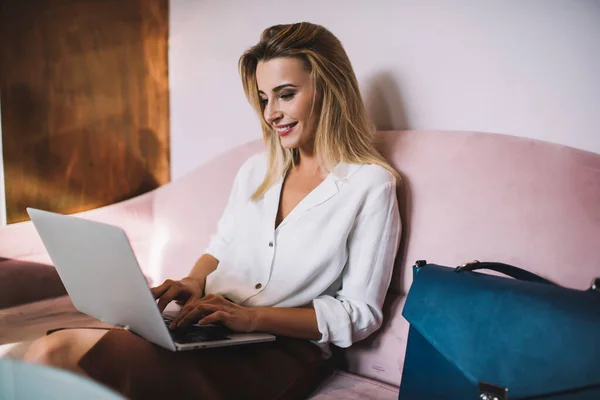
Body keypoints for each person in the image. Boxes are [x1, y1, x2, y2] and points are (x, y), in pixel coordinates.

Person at [23, 22, 402, 400]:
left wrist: (251, 318)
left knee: (57, 355)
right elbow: (220, 247)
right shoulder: (257, 170)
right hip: (209, 327)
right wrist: (192, 282)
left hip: (277, 352)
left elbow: (360, 313)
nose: (271, 114)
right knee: (43, 352)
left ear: (329, 91)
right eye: (264, 98)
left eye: (286, 95)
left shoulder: (370, 185)